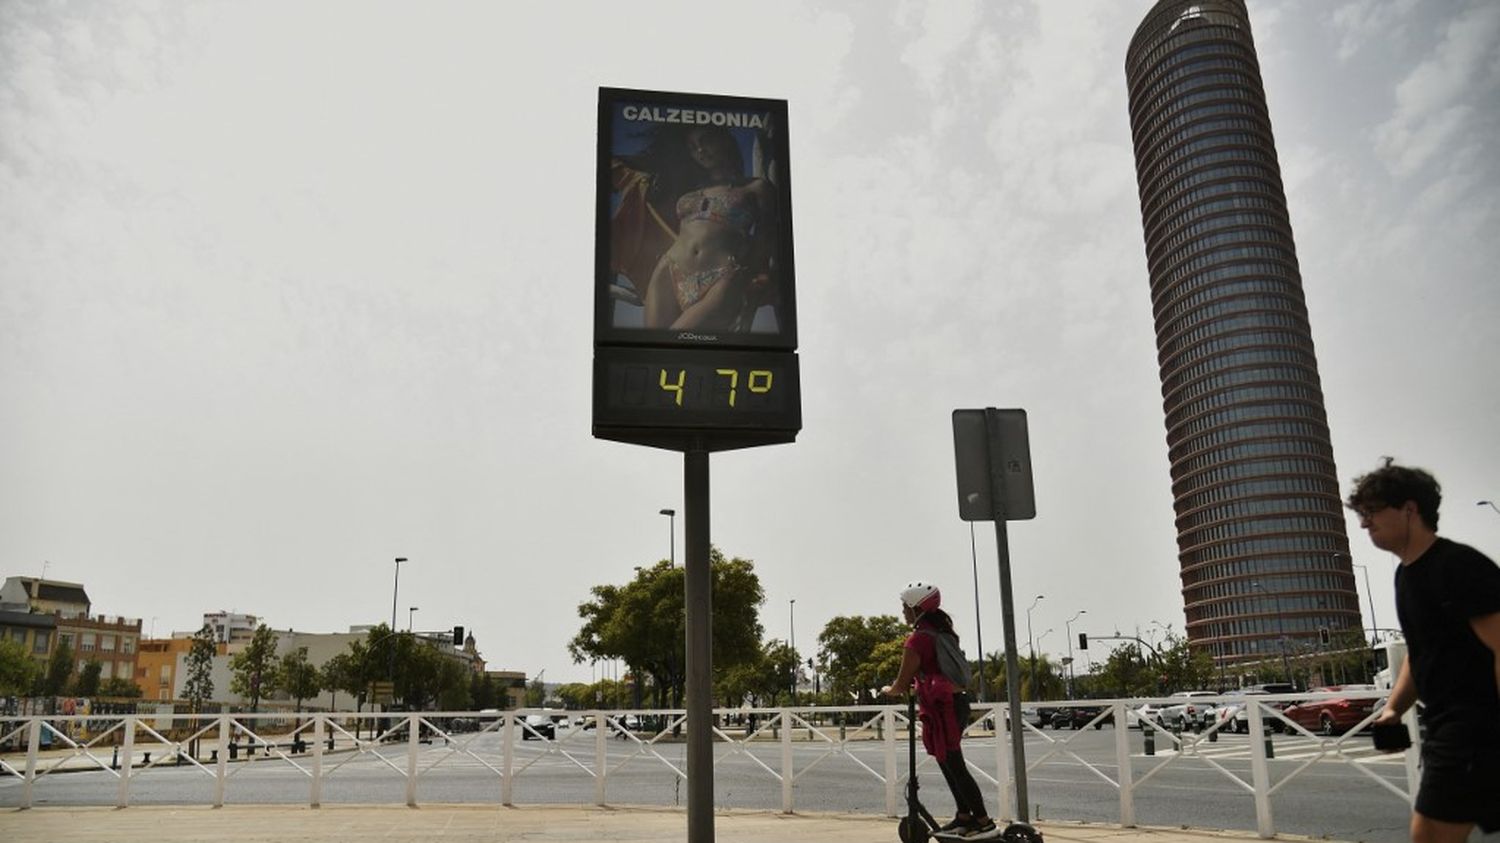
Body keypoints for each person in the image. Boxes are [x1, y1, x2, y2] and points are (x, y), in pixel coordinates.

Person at [1349, 460, 1500, 842]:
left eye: (1371, 512)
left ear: (1409, 509)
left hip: (1477, 727)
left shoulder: (1459, 566)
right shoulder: (1406, 575)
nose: (1365, 524)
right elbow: (1421, 653)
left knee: (1430, 836)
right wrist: (1393, 709)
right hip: (1447, 726)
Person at [880, 582, 998, 840]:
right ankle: (965, 817)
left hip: (943, 707)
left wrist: (889, 689)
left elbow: (900, 683)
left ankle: (984, 822)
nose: (902, 612)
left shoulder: (919, 639)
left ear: (916, 609)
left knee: (954, 764)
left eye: (905, 607)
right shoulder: (943, 632)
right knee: (947, 761)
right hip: (955, 703)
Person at [636, 125, 779, 332]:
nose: (700, 151)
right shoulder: (690, 190)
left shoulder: (757, 188)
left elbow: (765, 237)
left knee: (676, 343)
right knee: (652, 351)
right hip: (670, 270)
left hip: (723, 278)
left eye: (705, 141)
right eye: (693, 147)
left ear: (723, 139)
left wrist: (755, 272)